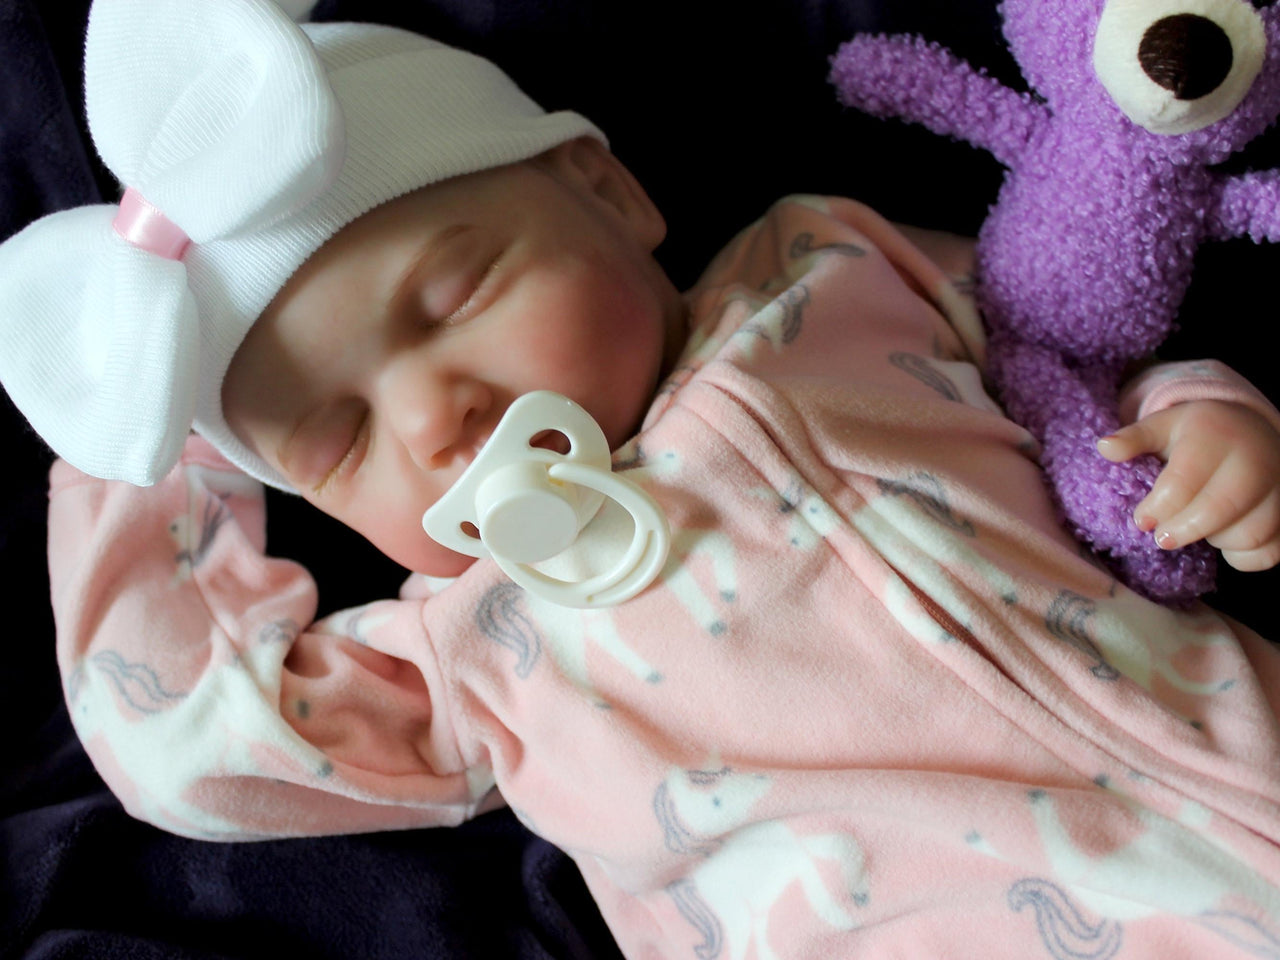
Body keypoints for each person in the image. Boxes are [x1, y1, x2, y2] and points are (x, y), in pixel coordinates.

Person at [2, 1, 1279, 957]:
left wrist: (1199, 420)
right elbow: (186, 744)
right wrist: (139, 467)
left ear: (605, 190)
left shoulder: (828, 269)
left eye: (454, 297)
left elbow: (1061, 355)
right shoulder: (469, 651)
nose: (434, 414)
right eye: (340, 441)